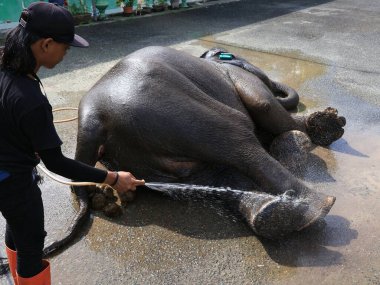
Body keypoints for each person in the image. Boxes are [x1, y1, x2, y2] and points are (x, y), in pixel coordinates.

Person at [0, 2, 145, 284]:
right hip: (14, 183)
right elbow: (56, 163)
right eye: (65, 48)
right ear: (46, 44)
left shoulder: (4, 65)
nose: (66, 54)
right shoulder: (30, 100)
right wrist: (113, 178)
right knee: (30, 244)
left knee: (15, 224)